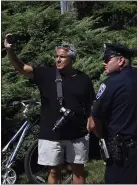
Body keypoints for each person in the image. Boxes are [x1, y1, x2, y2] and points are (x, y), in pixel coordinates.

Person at [4, 34, 94, 184]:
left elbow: (90, 103)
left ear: (71, 59)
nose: (57, 59)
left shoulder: (83, 78)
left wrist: (91, 121)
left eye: (62, 57)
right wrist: (10, 51)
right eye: (56, 56)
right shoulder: (46, 74)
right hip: (51, 134)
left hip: (77, 133)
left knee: (78, 171)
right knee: (53, 171)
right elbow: (22, 68)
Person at [88, 43, 137, 184]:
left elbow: (92, 124)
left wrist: (103, 137)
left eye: (108, 59)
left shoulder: (109, 85)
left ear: (120, 60)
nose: (104, 63)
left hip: (123, 154)